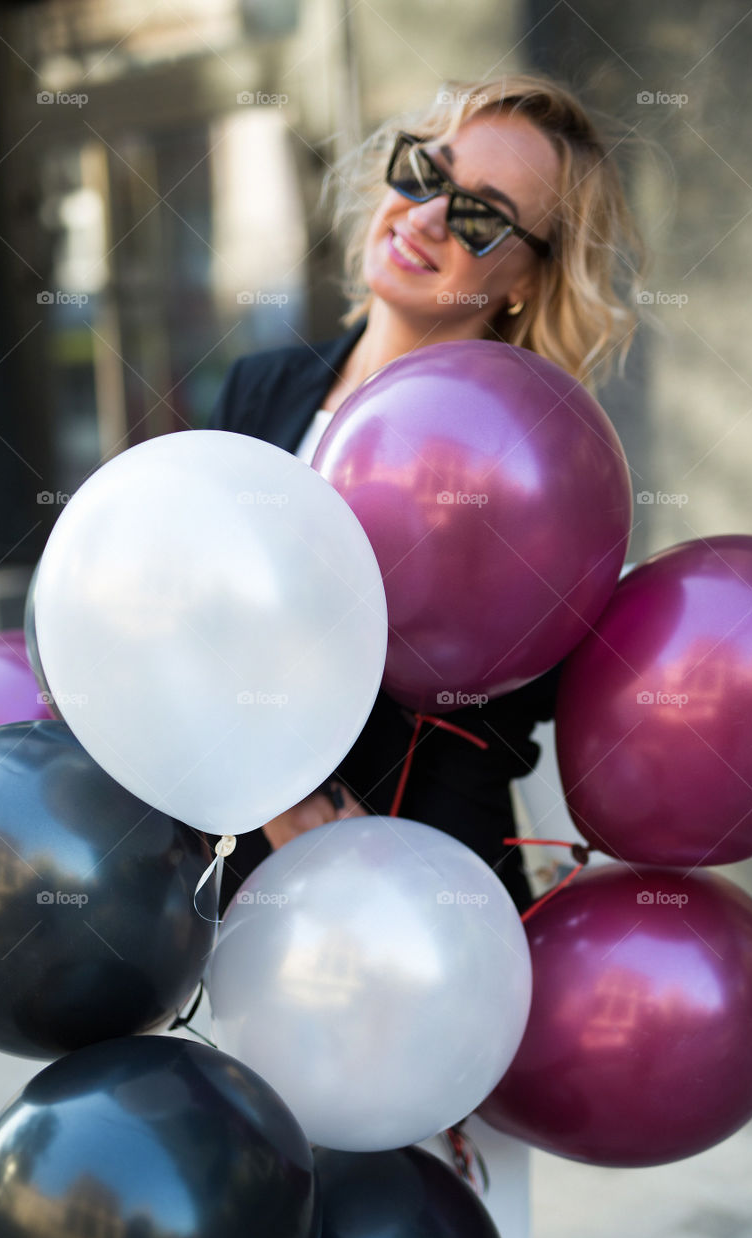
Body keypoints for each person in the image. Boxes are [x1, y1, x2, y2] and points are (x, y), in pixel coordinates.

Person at [208, 71, 645, 913]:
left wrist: (341, 835)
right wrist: (262, 789)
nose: (429, 216)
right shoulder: (261, 388)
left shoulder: (530, 458)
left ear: (523, 280)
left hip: (418, 875)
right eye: (425, 171)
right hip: (230, 847)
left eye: (482, 215)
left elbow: (517, 691)